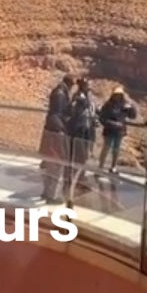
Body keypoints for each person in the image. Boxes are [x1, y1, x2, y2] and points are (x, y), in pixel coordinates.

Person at [40, 74, 73, 203]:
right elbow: (57, 114)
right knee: (57, 163)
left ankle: (47, 192)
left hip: (51, 129)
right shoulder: (60, 94)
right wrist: (61, 129)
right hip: (55, 131)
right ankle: (51, 195)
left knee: (49, 162)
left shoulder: (58, 91)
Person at [65, 77, 97, 199]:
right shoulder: (78, 97)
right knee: (78, 156)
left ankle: (80, 179)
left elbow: (91, 109)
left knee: (83, 157)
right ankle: (75, 180)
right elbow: (75, 110)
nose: (89, 88)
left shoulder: (87, 97)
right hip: (78, 130)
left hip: (86, 130)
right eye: (87, 85)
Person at [97, 87, 137, 173]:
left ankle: (113, 166)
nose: (118, 97)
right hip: (109, 130)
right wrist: (112, 123)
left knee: (116, 149)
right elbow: (102, 118)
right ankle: (100, 166)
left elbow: (133, 116)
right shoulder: (108, 105)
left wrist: (132, 107)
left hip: (119, 132)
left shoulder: (125, 105)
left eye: (120, 95)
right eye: (116, 95)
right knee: (106, 148)